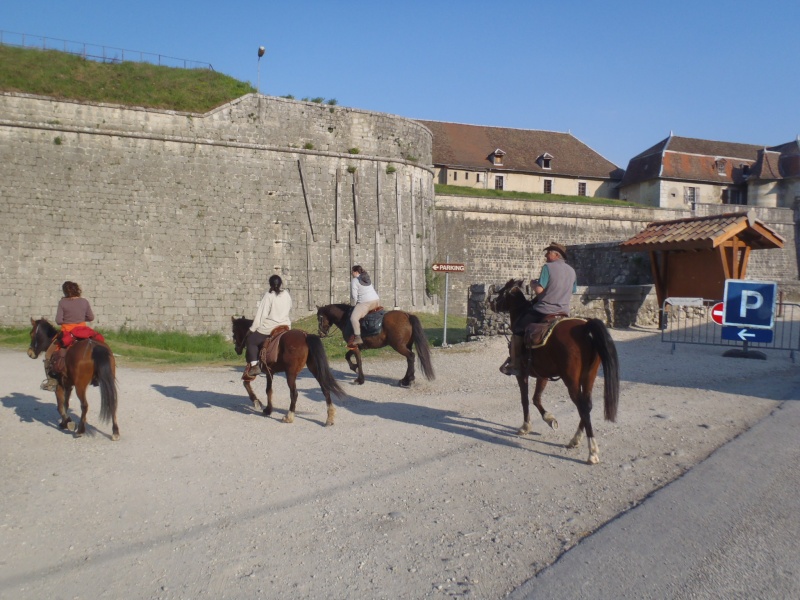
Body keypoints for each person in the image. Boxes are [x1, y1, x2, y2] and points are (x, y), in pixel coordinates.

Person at [499, 242, 577, 376]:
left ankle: (514, 364)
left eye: (549, 252)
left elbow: (540, 291)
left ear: (556, 255)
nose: (546, 255)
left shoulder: (548, 267)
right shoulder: (572, 271)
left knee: (518, 328)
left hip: (544, 309)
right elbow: (573, 290)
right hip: (564, 311)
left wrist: (534, 284)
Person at [41, 281, 96, 391]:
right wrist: (79, 319)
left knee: (48, 355)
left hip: (68, 332)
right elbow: (91, 317)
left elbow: (58, 320)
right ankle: (97, 376)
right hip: (82, 331)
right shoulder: (84, 301)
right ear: (77, 289)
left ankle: (51, 381)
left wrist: (69, 320)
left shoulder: (62, 302)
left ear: (65, 291)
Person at [244, 274, 292, 380]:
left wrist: (252, 329)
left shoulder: (268, 295)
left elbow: (261, 314)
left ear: (270, 284)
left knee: (251, 341)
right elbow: (290, 307)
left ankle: (254, 366)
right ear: (281, 284)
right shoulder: (287, 294)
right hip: (285, 325)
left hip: (270, 327)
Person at [349, 265, 380, 347]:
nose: (352, 274)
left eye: (352, 272)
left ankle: (358, 337)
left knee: (353, 318)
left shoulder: (355, 280)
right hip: (376, 300)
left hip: (365, 302)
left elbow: (354, 296)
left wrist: (356, 304)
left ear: (355, 272)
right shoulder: (367, 278)